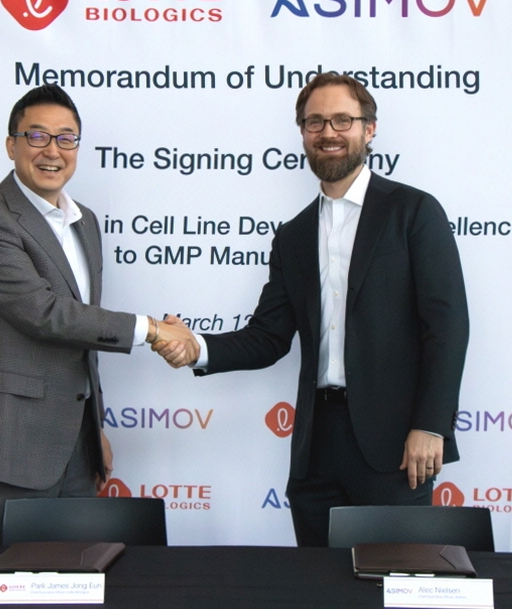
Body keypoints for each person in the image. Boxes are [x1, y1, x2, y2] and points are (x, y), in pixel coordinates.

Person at [157, 73, 469, 546]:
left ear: (370, 128)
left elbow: (447, 327)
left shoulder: (414, 212)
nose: (328, 132)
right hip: (315, 448)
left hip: (396, 445)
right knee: (317, 588)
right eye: (315, 122)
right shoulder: (293, 235)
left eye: (343, 119)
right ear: (302, 133)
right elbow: (267, 337)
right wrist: (196, 346)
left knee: (394, 585)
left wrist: (431, 424)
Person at [0, 84, 198, 546]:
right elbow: (46, 315)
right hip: (6, 447)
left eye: (67, 139)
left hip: (76, 455)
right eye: (38, 136)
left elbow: (83, 334)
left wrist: (92, 432)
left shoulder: (85, 222)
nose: (53, 151)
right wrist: (152, 330)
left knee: (73, 583)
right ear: (12, 145)